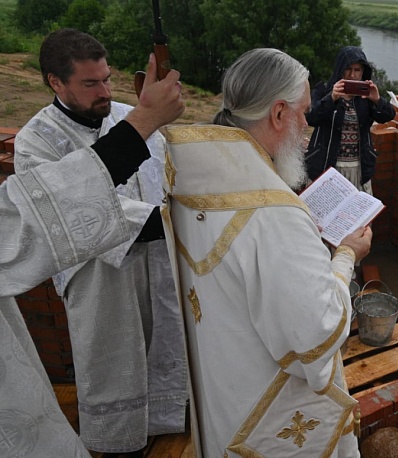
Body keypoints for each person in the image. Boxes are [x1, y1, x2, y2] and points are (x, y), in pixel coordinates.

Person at [161, 48, 372, 457]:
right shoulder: (277, 215)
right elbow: (317, 335)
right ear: (278, 113)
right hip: (269, 410)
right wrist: (347, 255)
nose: (307, 126)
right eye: (304, 113)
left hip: (224, 386)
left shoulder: (192, 179)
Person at [13, 28, 189, 456]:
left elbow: (170, 180)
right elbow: (75, 208)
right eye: (90, 83)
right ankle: (120, 445)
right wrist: (169, 223)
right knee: (114, 367)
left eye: (107, 79)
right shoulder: (35, 142)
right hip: (99, 283)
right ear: (56, 82)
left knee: (165, 352)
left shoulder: (131, 118)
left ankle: (165, 432)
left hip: (159, 267)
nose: (105, 92)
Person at [305, 46, 396, 194]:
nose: (352, 75)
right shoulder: (323, 90)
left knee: (355, 207)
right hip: (326, 165)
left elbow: (388, 116)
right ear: (340, 69)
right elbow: (311, 118)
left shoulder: (366, 97)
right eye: (348, 69)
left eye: (357, 70)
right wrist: (331, 98)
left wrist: (377, 100)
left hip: (357, 168)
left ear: (363, 71)